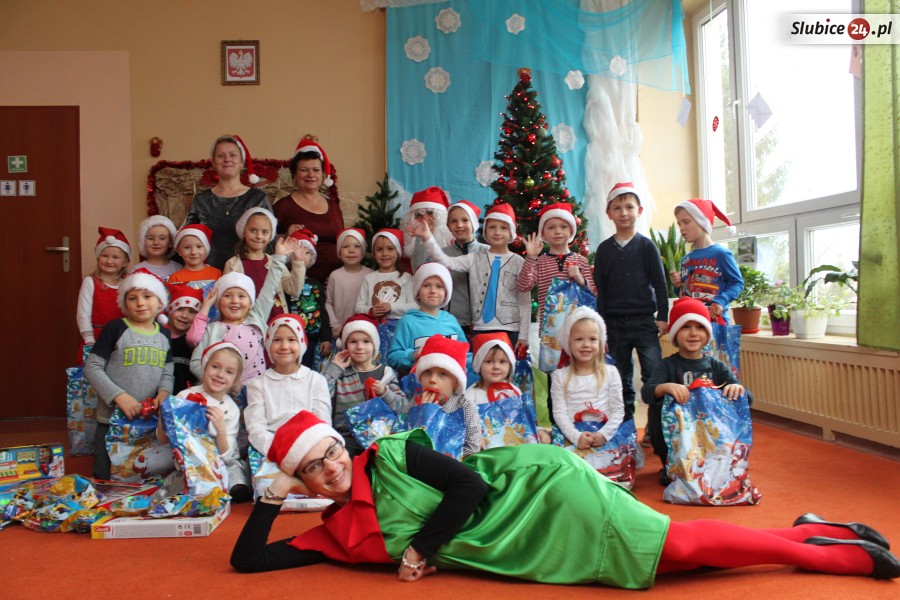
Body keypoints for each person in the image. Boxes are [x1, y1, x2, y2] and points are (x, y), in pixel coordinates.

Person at [230, 410, 900, 586]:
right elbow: (249, 561)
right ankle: (813, 531)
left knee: (678, 544)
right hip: (523, 547)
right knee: (677, 560)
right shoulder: (334, 534)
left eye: (329, 452)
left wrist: (419, 551)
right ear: (303, 483)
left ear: (341, 443)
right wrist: (273, 494)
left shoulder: (392, 455)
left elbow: (468, 485)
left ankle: (842, 556)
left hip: (538, 494)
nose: (330, 469)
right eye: (312, 470)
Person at [641, 297, 745, 486]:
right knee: (656, 407)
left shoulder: (717, 366)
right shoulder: (667, 365)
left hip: (709, 436)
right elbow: (647, 393)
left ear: (708, 332)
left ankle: (714, 466)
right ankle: (670, 465)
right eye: (686, 327)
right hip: (676, 438)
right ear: (675, 333)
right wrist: (665, 387)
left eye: (700, 327)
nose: (693, 333)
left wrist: (735, 388)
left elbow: (746, 400)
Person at [84, 271, 173, 480]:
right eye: (132, 298)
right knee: (105, 476)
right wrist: (119, 396)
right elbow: (92, 368)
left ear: (160, 302)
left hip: (147, 423)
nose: (140, 303)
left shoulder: (164, 334)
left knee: (140, 474)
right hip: (111, 421)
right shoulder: (116, 328)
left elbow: (167, 371)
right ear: (124, 304)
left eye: (147, 296)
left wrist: (164, 392)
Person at [593, 183, 669, 424]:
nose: (623, 213)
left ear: (640, 210)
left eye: (629, 207)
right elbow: (600, 291)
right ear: (609, 214)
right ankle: (625, 428)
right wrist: (601, 327)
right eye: (617, 208)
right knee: (620, 378)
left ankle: (655, 431)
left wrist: (663, 317)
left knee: (653, 376)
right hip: (614, 325)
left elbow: (660, 284)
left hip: (645, 322)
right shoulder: (604, 250)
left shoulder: (647, 247)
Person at [411, 203, 529, 348]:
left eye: (465, 220)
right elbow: (443, 260)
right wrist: (427, 238)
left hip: (507, 327)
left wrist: (524, 335)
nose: (497, 232)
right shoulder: (473, 257)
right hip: (467, 324)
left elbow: (525, 298)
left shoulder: (515, 260)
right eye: (454, 221)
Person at [158, 341, 252, 503]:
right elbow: (163, 439)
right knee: (181, 485)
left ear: (235, 379)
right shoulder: (184, 397)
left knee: (236, 477)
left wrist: (221, 430)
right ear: (205, 367)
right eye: (215, 367)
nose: (220, 374)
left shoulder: (231, 408)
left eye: (229, 372)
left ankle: (230, 489)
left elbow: (227, 454)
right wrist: (163, 417)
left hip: (221, 463)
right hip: (190, 465)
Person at [189, 239, 291, 386]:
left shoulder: (257, 316)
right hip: (221, 392)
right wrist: (216, 381)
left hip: (256, 390)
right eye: (227, 296)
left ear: (250, 303)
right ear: (219, 302)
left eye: (241, 296)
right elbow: (195, 363)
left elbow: (270, 288)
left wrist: (279, 257)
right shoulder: (213, 329)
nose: (235, 301)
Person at [245, 314, 331, 457]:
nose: (284, 346)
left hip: (310, 448)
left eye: (291, 340)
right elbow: (256, 428)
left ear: (301, 343)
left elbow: (323, 423)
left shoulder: (316, 380)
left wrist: (303, 452)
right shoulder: (257, 384)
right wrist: (282, 451)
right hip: (270, 450)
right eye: (277, 340)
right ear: (268, 344)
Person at [322, 314, 407, 457]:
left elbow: (403, 408)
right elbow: (321, 395)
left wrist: (385, 392)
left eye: (366, 341)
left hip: (382, 439)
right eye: (353, 342)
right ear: (345, 346)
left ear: (374, 345)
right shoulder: (339, 373)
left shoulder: (385, 373)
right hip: (346, 439)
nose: (360, 347)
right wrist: (335, 369)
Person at [184, 134, 272, 271]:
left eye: (232, 155)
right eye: (220, 156)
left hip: (248, 274)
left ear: (242, 162)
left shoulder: (258, 199)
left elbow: (270, 241)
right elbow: (187, 238)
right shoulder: (201, 201)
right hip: (209, 274)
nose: (227, 159)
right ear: (213, 163)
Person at [551, 307, 624, 453]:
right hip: (572, 435)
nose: (586, 344)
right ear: (568, 342)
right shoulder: (559, 376)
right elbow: (559, 413)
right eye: (579, 339)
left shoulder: (611, 373)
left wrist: (604, 434)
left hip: (605, 434)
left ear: (601, 343)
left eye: (592, 339)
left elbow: (617, 410)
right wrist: (576, 436)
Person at [273, 136, 344, 283]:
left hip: (335, 281)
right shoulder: (283, 206)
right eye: (304, 170)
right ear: (294, 175)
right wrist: (285, 235)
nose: (311, 175)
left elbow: (342, 242)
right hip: (299, 282)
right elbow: (266, 241)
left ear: (322, 174)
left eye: (316, 170)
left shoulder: (333, 206)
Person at [519, 202, 597, 328]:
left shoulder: (581, 261)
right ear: (543, 233)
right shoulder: (540, 262)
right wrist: (531, 258)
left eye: (563, 227)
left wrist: (581, 280)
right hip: (550, 329)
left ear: (571, 231)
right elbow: (523, 286)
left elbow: (594, 294)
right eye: (551, 227)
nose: (557, 231)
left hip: (578, 328)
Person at [224, 207, 307, 322]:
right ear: (243, 231)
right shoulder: (233, 264)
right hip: (248, 323)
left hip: (277, 322)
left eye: (264, 232)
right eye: (253, 230)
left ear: (270, 235)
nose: (258, 236)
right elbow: (228, 299)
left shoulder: (275, 262)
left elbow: (294, 290)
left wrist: (298, 262)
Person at [386, 263, 468, 376]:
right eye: (426, 285)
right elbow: (393, 358)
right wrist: (413, 355)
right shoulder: (407, 322)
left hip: (450, 382)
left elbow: (465, 354)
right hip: (419, 383)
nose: (433, 291)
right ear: (417, 293)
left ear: (446, 293)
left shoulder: (451, 320)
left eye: (439, 286)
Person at [670, 198, 743, 322]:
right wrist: (678, 286)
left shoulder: (721, 254)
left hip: (715, 324)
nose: (681, 228)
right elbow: (685, 293)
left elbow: (737, 283)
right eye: (679, 224)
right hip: (692, 322)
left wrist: (720, 301)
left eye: (686, 222)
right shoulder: (685, 260)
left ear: (701, 221)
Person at [411, 335, 482, 458]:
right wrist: (422, 412)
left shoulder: (465, 407)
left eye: (442, 374)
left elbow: (473, 447)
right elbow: (404, 439)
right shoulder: (415, 403)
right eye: (427, 372)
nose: (432, 380)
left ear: (456, 383)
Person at [355, 229, 416, 357]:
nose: (384, 254)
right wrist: (370, 311)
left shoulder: (406, 277)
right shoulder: (369, 278)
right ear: (374, 253)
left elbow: (415, 306)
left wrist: (391, 307)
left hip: (400, 331)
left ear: (398, 251)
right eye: (379, 249)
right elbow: (358, 307)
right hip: (374, 330)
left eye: (390, 249)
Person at [283, 227, 330, 367]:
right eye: (297, 249)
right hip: (289, 337)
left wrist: (326, 338)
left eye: (307, 252)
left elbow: (323, 311)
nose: (301, 255)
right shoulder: (284, 283)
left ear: (312, 259)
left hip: (312, 337)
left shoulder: (316, 285)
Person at [77, 227, 131, 348]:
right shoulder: (90, 282)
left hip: (123, 338)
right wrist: (89, 340)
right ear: (98, 258)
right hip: (97, 338)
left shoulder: (129, 282)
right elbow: (83, 315)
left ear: (125, 262)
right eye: (105, 256)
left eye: (115, 257)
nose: (109, 261)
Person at [441, 200, 488, 334]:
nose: (459, 225)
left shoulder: (488, 252)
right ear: (448, 226)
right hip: (452, 323)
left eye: (465, 220)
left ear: (473, 223)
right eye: (453, 221)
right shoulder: (441, 255)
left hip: (484, 324)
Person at [325, 228, 373, 342]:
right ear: (339, 252)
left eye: (357, 246)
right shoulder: (335, 276)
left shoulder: (370, 275)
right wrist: (335, 325)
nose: (351, 250)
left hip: (363, 330)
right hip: (340, 331)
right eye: (345, 246)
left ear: (363, 250)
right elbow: (328, 303)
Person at [400, 186, 451, 272]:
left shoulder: (453, 244)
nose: (424, 219)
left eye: (430, 213)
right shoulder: (403, 246)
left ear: (441, 218)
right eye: (419, 215)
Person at [165, 284, 203, 394]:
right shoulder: (160, 335)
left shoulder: (195, 341)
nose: (184, 316)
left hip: (187, 398)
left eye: (192, 311)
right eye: (180, 309)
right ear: (170, 310)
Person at [167, 223, 222, 289]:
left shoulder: (216, 274)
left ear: (206, 249)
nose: (193, 252)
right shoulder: (174, 278)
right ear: (179, 251)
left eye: (199, 247)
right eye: (187, 247)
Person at [131, 215, 180, 281]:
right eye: (151, 238)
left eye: (162, 238)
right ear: (143, 241)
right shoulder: (136, 270)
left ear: (171, 242)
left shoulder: (178, 268)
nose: (156, 242)